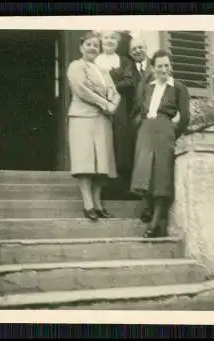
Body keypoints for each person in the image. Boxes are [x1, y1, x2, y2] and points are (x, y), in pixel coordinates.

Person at [131, 49, 191, 238]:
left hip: (165, 131)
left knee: (161, 175)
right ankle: (148, 208)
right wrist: (140, 125)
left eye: (166, 65)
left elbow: (185, 118)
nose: (163, 69)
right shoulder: (148, 87)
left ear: (170, 66)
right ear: (153, 68)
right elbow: (139, 109)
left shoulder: (179, 87)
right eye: (159, 66)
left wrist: (172, 133)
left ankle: (156, 223)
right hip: (146, 131)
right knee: (145, 170)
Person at [66, 31, 121, 222]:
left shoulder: (103, 71)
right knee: (86, 162)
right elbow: (81, 89)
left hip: (103, 120)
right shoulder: (76, 66)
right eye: (88, 44)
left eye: (96, 45)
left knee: (101, 164)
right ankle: (88, 204)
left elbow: (114, 92)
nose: (92, 48)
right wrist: (104, 103)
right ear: (81, 47)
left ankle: (98, 204)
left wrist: (113, 104)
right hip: (82, 117)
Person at [95, 31, 136, 197]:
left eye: (113, 38)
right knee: (101, 144)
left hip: (120, 108)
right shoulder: (94, 61)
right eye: (106, 37)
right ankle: (100, 189)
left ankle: (119, 190)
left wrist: (108, 86)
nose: (109, 41)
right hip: (98, 107)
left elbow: (129, 82)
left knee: (120, 144)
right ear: (101, 41)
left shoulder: (124, 61)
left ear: (117, 42)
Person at [128, 36, 157, 223]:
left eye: (140, 47)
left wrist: (143, 116)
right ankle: (146, 205)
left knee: (150, 164)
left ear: (146, 48)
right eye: (134, 49)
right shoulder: (131, 68)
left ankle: (150, 208)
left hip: (151, 121)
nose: (137, 51)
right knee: (142, 164)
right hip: (138, 122)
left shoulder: (153, 69)